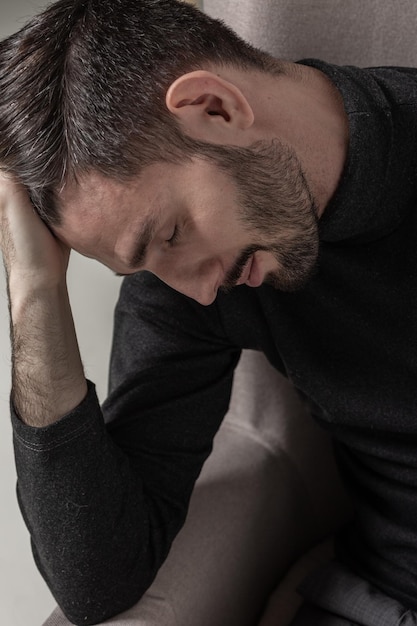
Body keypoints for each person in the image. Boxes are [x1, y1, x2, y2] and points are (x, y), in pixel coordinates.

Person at [0, 0, 417, 624]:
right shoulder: (199, 283)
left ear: (216, 108)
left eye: (168, 234)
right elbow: (97, 580)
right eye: (141, 266)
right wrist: (34, 291)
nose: (195, 292)